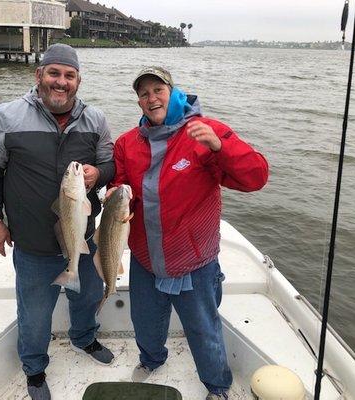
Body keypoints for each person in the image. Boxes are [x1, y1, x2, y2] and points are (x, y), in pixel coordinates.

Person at [109, 67, 269, 400]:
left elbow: (256, 177)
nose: (151, 98)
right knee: (146, 321)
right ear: (138, 101)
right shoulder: (127, 142)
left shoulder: (205, 130)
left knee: (204, 330)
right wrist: (114, 193)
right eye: (143, 93)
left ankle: (217, 385)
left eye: (158, 90)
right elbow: (122, 186)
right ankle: (152, 359)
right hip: (144, 257)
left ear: (173, 90)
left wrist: (219, 149)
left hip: (194, 261)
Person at [0, 44, 115, 400]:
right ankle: (35, 369)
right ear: (38, 75)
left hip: (83, 239)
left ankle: (84, 338)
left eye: (69, 76)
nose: (61, 82)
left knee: (86, 298)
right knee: (35, 314)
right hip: (33, 243)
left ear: (78, 81)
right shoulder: (7, 117)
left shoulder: (96, 120)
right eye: (54, 73)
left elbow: (111, 166)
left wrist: (97, 173)